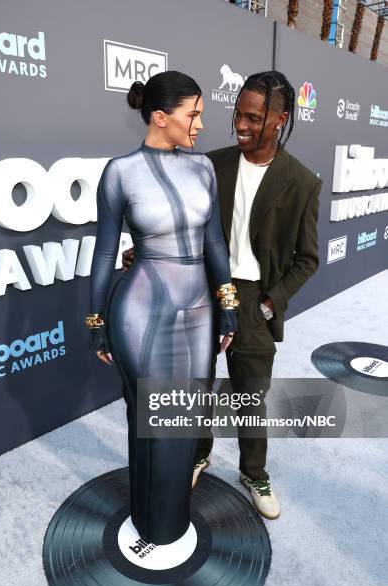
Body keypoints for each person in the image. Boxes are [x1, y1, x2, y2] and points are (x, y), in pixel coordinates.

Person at [124, 70, 321, 521]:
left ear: (280, 120)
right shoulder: (210, 163)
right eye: (237, 114)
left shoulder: (301, 182)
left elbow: (307, 259)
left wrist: (269, 303)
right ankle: (198, 454)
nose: (241, 125)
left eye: (254, 117)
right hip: (201, 287)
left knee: (250, 396)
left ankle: (254, 472)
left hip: (253, 301)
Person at [85, 71, 237, 546]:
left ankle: (168, 522)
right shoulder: (120, 172)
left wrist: (227, 303)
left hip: (197, 311)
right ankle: (147, 520)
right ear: (160, 117)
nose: (199, 125)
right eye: (192, 115)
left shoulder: (203, 169)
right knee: (145, 417)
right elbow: (104, 255)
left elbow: (214, 241)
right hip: (139, 312)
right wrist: (96, 323)